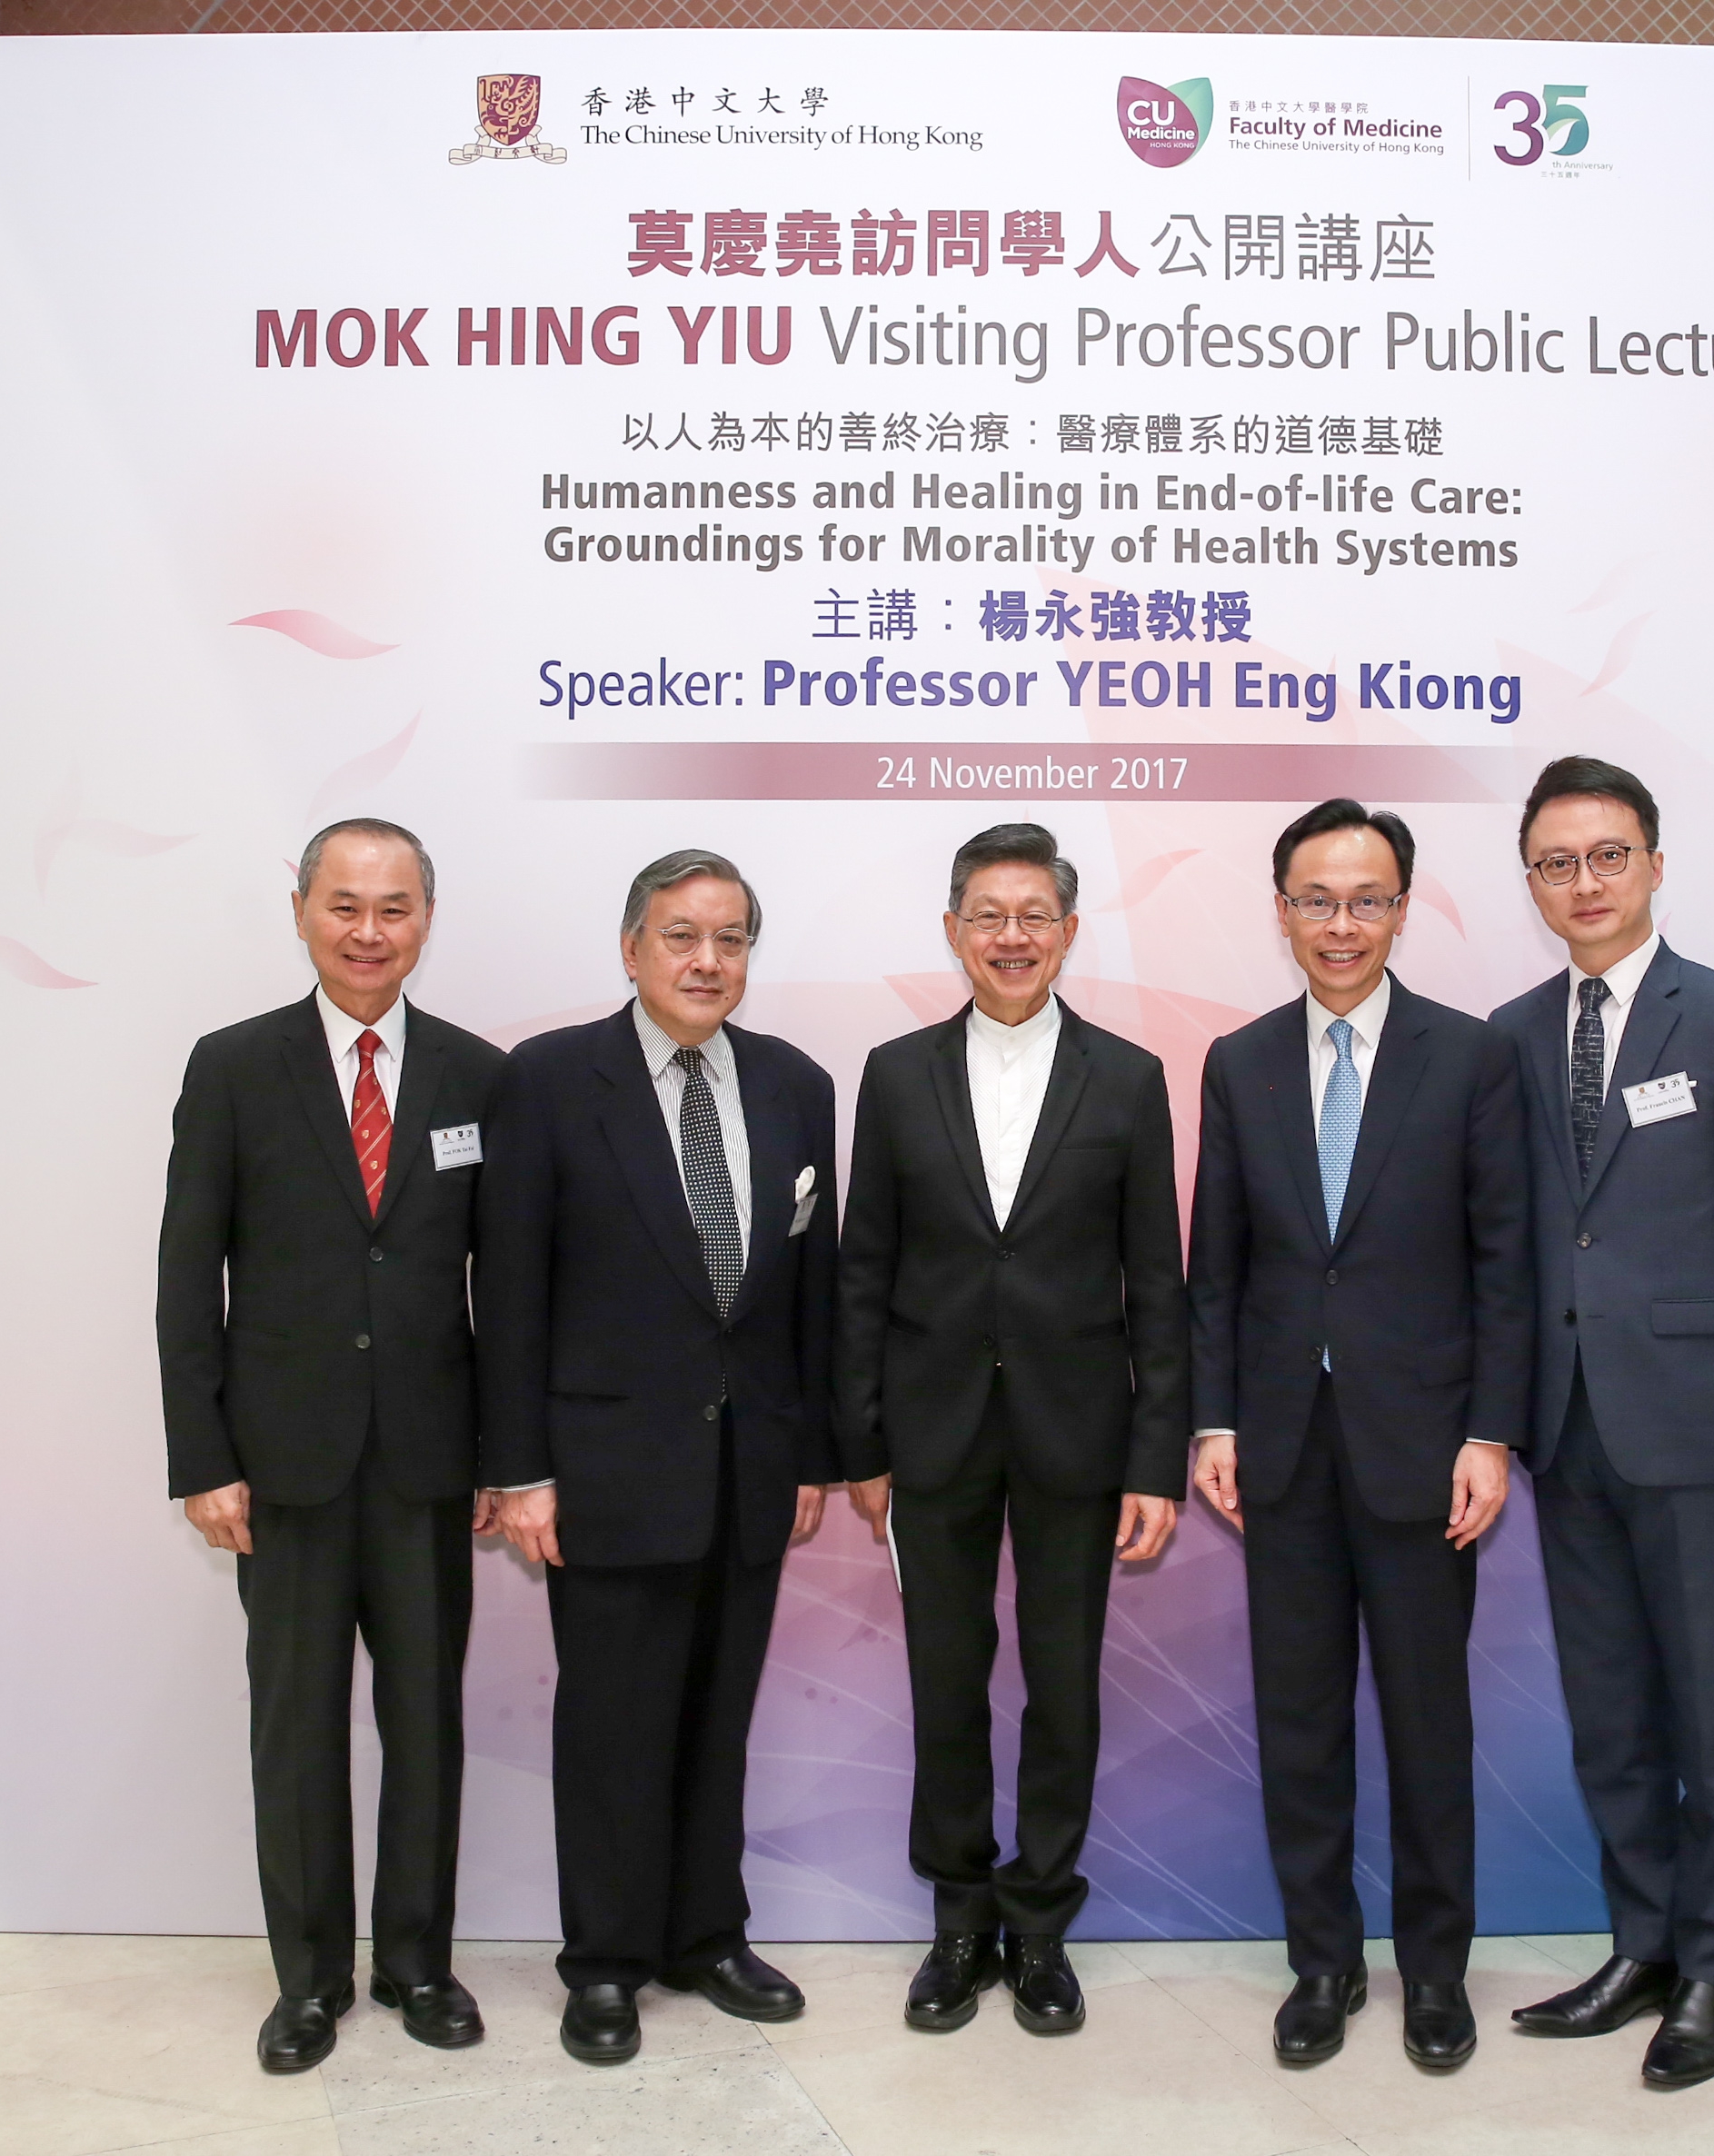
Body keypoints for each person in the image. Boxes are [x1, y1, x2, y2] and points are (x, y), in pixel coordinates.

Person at [1489, 758, 1714, 2090]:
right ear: (1531, 882)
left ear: (1654, 863)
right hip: (1565, 1426)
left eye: (1608, 855)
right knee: (1611, 1706)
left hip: (1696, 1425)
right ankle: (1638, 1941)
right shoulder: (1514, 1031)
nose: (1584, 882)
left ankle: (1712, 1969)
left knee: (1707, 1709)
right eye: (1558, 862)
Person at [473, 849, 838, 2066]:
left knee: (717, 1716)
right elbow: (510, 1288)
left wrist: (812, 1459)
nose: (706, 960)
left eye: (730, 938)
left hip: (749, 1468)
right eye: (681, 935)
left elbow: (808, 1292)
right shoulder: (550, 1079)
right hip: (603, 1466)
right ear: (631, 948)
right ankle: (606, 1960)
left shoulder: (796, 1085)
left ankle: (706, 1934)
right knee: (615, 1723)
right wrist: (518, 1468)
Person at [156, 819, 507, 2073]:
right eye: (346, 905)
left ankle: (417, 1962)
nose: (371, 931)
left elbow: (504, 1293)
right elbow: (189, 1274)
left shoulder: (478, 1074)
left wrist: (505, 1457)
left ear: (426, 918)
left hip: (427, 1467)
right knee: (296, 1726)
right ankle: (310, 1979)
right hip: (285, 1467)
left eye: (395, 907)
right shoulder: (235, 1066)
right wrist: (201, 1457)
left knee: (426, 1725)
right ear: (301, 908)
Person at [1187, 799, 1532, 2071]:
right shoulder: (1242, 1060)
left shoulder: (1471, 1056)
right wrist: (1213, 1416)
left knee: (1430, 1719)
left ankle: (1435, 1971)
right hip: (1279, 1447)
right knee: (1301, 1719)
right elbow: (1213, 1267)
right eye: (1317, 899)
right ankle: (1321, 1962)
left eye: (1367, 897)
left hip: (1425, 1447)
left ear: (1404, 905)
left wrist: (1491, 1431)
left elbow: (1506, 1260)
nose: (1342, 923)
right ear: (1282, 910)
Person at [838, 824, 1190, 2037]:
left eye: (1034, 913)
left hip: (1079, 1438)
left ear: (1069, 932)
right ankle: (957, 1919)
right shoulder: (892, 1075)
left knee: (1064, 1688)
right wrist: (864, 1443)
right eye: (988, 913)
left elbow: (1160, 1282)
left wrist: (1157, 1457)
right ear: (953, 930)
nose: (1011, 936)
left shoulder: (1130, 1079)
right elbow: (862, 1270)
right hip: (930, 1437)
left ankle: (1038, 1922)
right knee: (945, 1683)